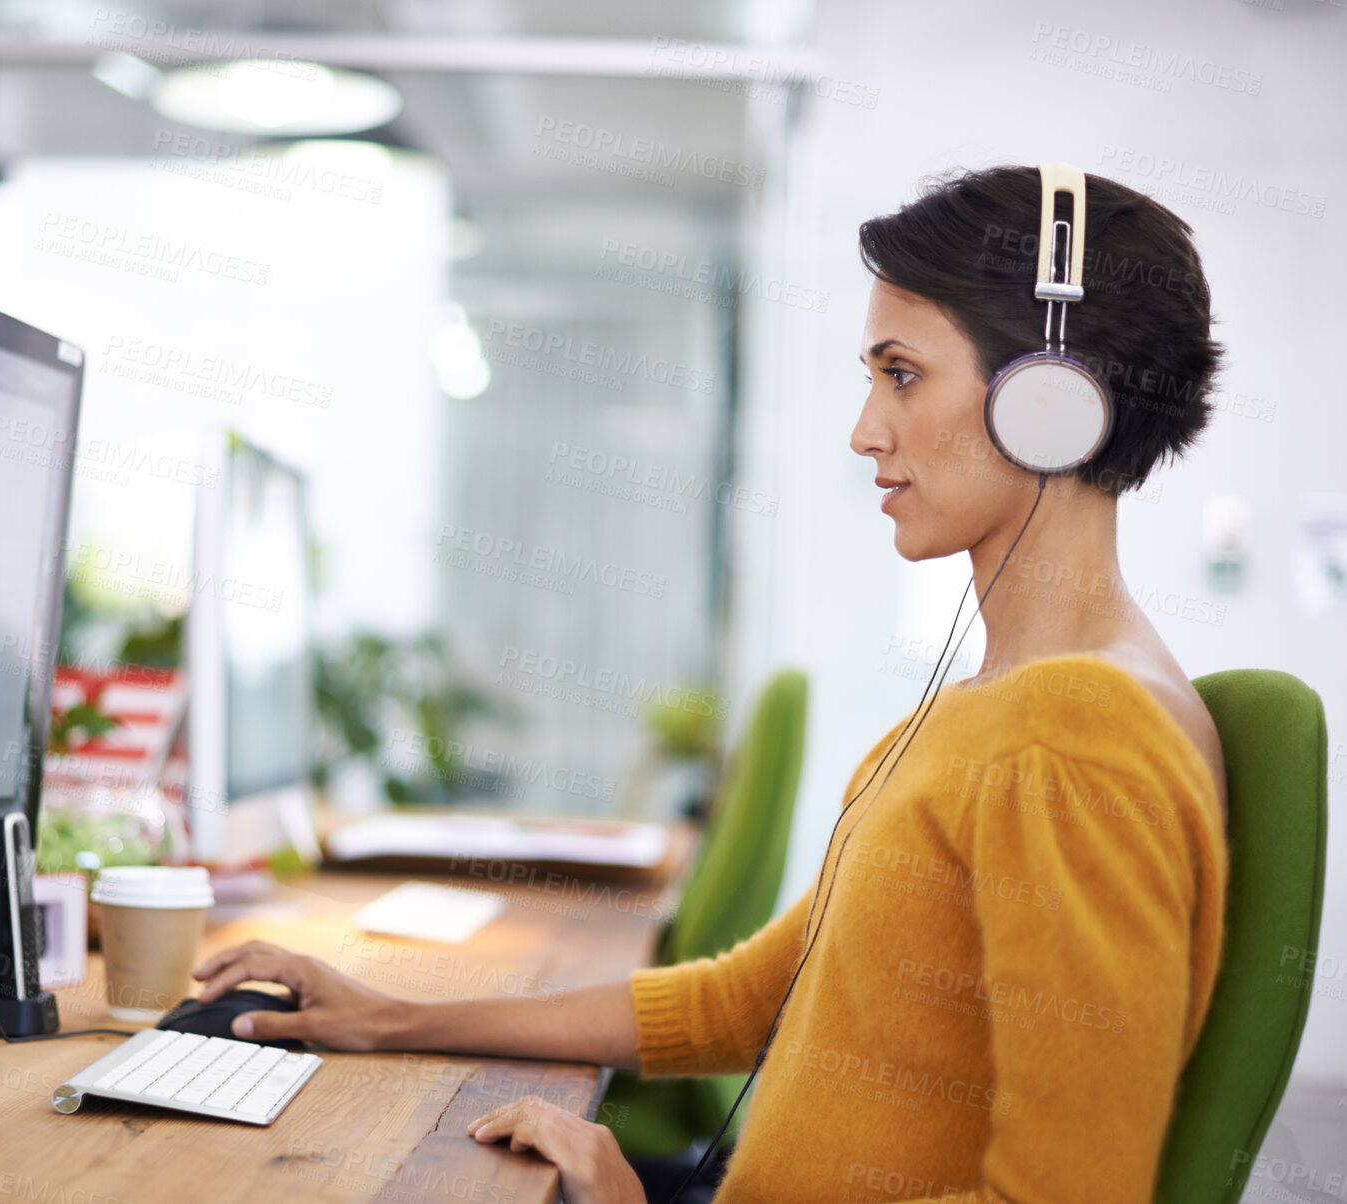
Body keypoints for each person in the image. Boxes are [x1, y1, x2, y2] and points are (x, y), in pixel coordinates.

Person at [192, 165, 1231, 1204]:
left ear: (1048, 403)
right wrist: (387, 1018)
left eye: (902, 374)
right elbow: (749, 1002)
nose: (866, 431)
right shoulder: (996, 707)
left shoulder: (1075, 739)